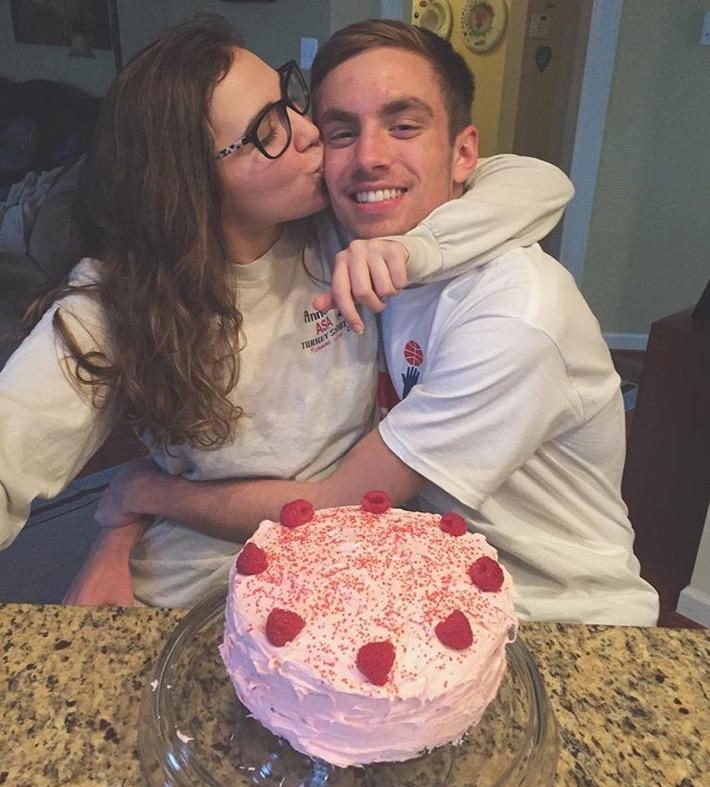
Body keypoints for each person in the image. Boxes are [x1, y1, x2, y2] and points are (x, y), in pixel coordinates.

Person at [92, 19, 659, 626]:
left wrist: (143, 492)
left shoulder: (513, 316)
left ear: (465, 153)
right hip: (411, 582)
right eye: (341, 131)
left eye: (404, 125)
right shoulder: (340, 234)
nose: (369, 159)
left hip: (560, 617)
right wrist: (114, 540)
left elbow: (341, 503)